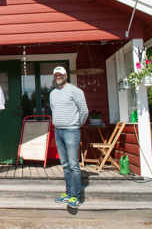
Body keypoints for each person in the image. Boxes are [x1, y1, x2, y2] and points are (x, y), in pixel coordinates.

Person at [49, 66, 88, 209]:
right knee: (65, 165)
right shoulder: (52, 93)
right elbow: (54, 109)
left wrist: (76, 124)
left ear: (66, 75)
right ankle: (69, 192)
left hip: (71, 131)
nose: (58, 77)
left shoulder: (75, 91)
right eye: (56, 75)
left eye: (61, 75)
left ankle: (75, 197)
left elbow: (84, 111)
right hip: (58, 131)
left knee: (73, 165)